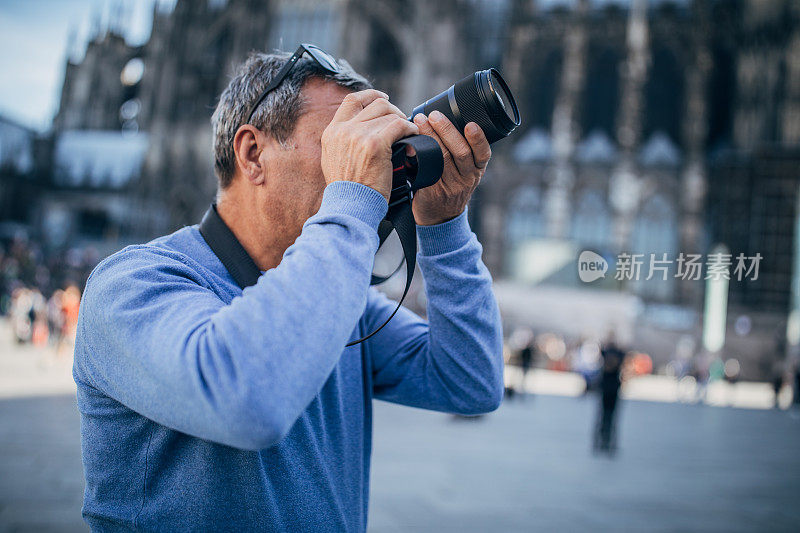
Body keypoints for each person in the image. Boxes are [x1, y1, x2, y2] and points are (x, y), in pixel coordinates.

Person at [73, 49, 504, 531]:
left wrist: (444, 228)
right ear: (253, 154)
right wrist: (352, 204)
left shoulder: (344, 302)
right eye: (341, 144)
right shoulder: (132, 283)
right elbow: (247, 400)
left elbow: (470, 382)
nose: (370, 166)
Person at [593, 333, 625, 455]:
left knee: (604, 417)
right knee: (609, 418)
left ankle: (603, 442)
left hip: (608, 389)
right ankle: (607, 442)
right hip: (611, 389)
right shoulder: (617, 353)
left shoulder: (608, 353)